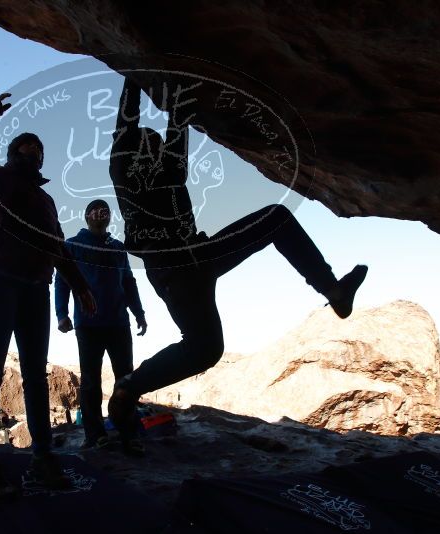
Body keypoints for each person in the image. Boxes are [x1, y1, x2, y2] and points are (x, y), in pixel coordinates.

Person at [106, 78, 368, 431]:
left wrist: (177, 90)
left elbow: (177, 125)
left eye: (157, 144)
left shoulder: (172, 169)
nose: (155, 148)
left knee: (276, 218)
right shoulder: (124, 172)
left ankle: (333, 291)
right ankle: (129, 387)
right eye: (147, 144)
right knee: (206, 349)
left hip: (202, 253)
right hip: (173, 268)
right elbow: (127, 123)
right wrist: (132, 74)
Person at [0, 92, 97, 502]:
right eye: (25, 146)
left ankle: (43, 457)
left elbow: (57, 245)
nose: (33, 151)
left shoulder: (46, 199)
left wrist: (79, 284)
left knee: (36, 375)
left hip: (36, 288)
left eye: (38, 149)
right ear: (13, 152)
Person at [54, 199, 148, 456]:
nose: (101, 213)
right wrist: (61, 314)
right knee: (90, 382)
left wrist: (138, 312)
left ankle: (130, 433)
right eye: (95, 210)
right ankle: (95, 435)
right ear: (86, 216)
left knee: (126, 379)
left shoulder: (118, 248)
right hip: (88, 325)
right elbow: (62, 280)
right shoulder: (73, 245)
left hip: (119, 323)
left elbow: (128, 282)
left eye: (105, 210)